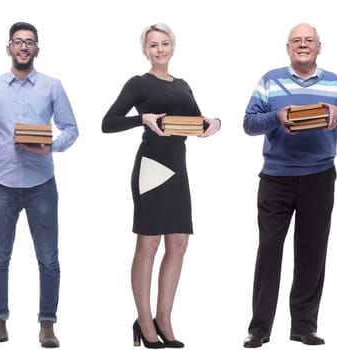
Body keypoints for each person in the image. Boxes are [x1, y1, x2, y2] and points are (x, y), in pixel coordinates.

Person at [241, 23, 337, 348]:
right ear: (288, 48)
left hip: (319, 178)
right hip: (276, 178)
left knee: (312, 252)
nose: (303, 44)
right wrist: (276, 117)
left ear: (319, 47)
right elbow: (248, 123)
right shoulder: (269, 81)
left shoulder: (336, 83)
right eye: (297, 40)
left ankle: (304, 326)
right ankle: (259, 329)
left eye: (309, 40)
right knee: (269, 251)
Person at [101, 23, 221, 349]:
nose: (159, 49)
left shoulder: (183, 85)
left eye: (164, 43)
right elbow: (107, 123)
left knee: (179, 244)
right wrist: (142, 119)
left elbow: (198, 121)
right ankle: (144, 321)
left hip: (178, 170)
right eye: (153, 45)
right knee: (148, 244)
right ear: (145, 50)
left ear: (172, 46)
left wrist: (215, 124)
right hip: (152, 169)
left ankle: (163, 318)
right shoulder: (139, 84)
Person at [0, 21, 78, 349]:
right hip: (2, 183)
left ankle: (47, 325)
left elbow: (71, 129)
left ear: (36, 50)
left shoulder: (52, 86)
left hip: (41, 183)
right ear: (8, 48)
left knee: (48, 258)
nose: (23, 47)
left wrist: (52, 147)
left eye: (29, 42)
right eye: (17, 41)